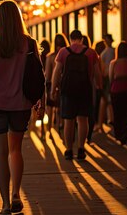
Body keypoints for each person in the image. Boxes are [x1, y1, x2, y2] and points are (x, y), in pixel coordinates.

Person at [0, 0, 44, 215]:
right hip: (21, 104)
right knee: (16, 150)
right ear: (18, 18)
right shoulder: (29, 44)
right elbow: (38, 75)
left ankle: (5, 204)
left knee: (0, 153)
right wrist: (40, 100)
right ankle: (16, 194)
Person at [51, 30, 102, 161]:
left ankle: (68, 150)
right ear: (81, 39)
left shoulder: (63, 52)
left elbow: (57, 72)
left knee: (69, 120)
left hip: (68, 91)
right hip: (85, 90)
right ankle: (81, 148)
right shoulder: (91, 52)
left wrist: (53, 89)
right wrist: (99, 86)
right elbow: (97, 72)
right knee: (83, 120)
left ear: (70, 38)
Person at [45, 33, 67, 134]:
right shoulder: (67, 55)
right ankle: (60, 127)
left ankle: (49, 129)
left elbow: (48, 75)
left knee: (50, 108)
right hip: (63, 84)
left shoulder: (50, 57)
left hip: (51, 84)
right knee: (60, 108)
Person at [88, 40, 106, 143]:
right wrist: (100, 84)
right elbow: (100, 72)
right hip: (93, 86)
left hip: (84, 86)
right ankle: (97, 125)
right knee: (94, 107)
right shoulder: (93, 55)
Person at [98, 34, 115, 129]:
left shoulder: (106, 52)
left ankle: (105, 122)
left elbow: (103, 66)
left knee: (105, 100)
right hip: (109, 77)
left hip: (107, 77)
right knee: (107, 100)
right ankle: (109, 119)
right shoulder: (112, 51)